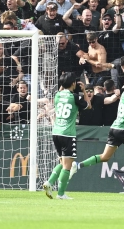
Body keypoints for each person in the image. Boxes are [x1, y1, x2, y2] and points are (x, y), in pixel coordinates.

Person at [42, 72, 91, 200]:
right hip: (67, 134)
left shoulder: (57, 95)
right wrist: (84, 91)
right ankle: (61, 193)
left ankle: (49, 182)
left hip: (56, 132)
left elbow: (62, 90)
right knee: (67, 165)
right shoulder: (75, 97)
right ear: (74, 83)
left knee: (62, 161)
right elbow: (88, 105)